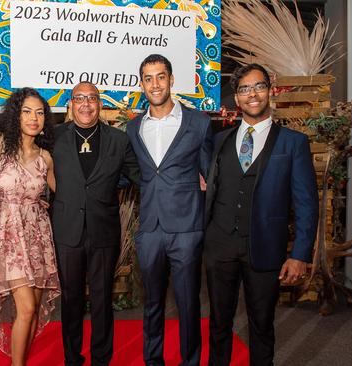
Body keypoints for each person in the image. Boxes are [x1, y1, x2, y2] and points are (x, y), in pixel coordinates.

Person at [203, 63, 318, 366]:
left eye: (258, 86)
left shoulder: (294, 143)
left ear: (269, 91)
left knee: (262, 325)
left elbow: (307, 203)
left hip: (266, 248)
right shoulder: (220, 141)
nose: (252, 94)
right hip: (219, 246)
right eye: (244, 89)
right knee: (218, 325)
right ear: (236, 99)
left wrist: (300, 254)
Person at [125, 54, 213, 366]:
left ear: (171, 80)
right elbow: (132, 172)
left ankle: (190, 361)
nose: (155, 84)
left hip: (187, 227)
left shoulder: (199, 123)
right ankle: (154, 360)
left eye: (161, 76)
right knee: (152, 303)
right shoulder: (133, 128)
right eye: (148, 78)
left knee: (188, 303)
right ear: (141, 84)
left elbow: (210, 176)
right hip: (150, 228)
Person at [51, 81, 140, 366]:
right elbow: (34, 167)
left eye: (92, 98)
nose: (86, 104)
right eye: (80, 98)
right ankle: (72, 359)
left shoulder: (118, 139)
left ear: (99, 103)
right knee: (71, 299)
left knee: (103, 299)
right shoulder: (53, 136)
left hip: (104, 231)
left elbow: (139, 175)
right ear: (71, 104)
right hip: (67, 230)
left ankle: (102, 359)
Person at [0, 87, 60, 366]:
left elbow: (63, 194)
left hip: (37, 235)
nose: (33, 118)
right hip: (7, 235)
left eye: (40, 113)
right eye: (27, 111)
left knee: (33, 311)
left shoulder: (46, 157)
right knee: (26, 308)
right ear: (16, 115)